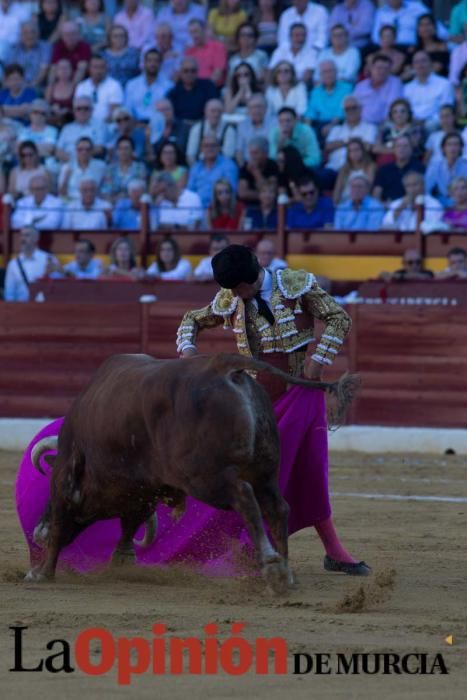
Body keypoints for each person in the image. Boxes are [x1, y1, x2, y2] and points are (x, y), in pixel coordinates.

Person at [177, 243, 369, 575]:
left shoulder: (295, 284)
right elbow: (191, 320)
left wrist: (319, 361)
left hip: (300, 392)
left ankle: (331, 551)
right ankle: (260, 549)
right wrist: (188, 349)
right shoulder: (229, 297)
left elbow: (339, 318)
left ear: (249, 281)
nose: (236, 295)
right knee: (256, 475)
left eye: (239, 289)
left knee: (308, 469)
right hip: (251, 402)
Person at [4, 225, 58, 301]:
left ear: (36, 238)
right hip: (20, 309)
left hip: (44, 308)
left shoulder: (48, 259)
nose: (23, 239)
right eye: (22, 235)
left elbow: (58, 287)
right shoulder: (13, 264)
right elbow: (9, 294)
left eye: (27, 235)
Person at [325, 96, 378, 172]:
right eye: (347, 109)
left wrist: (341, 143)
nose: (351, 111)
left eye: (354, 107)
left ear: (360, 109)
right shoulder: (336, 129)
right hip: (333, 169)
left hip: (357, 170)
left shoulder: (370, 128)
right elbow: (328, 146)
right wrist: (348, 141)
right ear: (344, 111)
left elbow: (368, 147)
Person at [403, 51, 454, 128]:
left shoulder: (444, 84)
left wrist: (425, 122)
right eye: (416, 62)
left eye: (423, 61)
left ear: (431, 63)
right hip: (412, 124)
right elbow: (405, 110)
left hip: (435, 123)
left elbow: (447, 109)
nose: (420, 65)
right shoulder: (407, 88)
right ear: (413, 66)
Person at [187, 135, 238, 209]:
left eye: (213, 145)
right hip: (198, 209)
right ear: (201, 148)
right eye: (206, 146)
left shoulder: (229, 165)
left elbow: (231, 191)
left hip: (220, 209)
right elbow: (190, 192)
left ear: (219, 147)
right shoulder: (195, 167)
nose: (210, 148)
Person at [124, 49, 173, 124]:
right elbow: (128, 110)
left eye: (156, 61)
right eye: (149, 61)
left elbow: (169, 113)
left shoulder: (168, 86)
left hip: (159, 125)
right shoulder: (132, 85)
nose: (152, 64)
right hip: (135, 125)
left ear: (160, 64)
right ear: (144, 63)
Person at [353, 53, 402, 126]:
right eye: (379, 68)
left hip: (385, 124)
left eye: (386, 69)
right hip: (362, 125)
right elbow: (354, 108)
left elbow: (392, 108)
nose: (382, 71)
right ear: (371, 68)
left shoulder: (395, 83)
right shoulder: (360, 86)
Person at [373, 134, 424, 204]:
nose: (401, 149)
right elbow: (376, 194)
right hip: (386, 208)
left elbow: (422, 192)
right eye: (398, 146)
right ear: (394, 149)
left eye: (405, 146)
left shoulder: (419, 168)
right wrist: (383, 205)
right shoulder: (384, 169)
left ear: (411, 149)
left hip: (412, 206)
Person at [167, 56, 218, 123]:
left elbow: (215, 107)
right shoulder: (173, 91)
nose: (189, 74)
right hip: (180, 127)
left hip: (202, 126)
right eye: (186, 71)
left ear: (197, 72)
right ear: (180, 72)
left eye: (193, 71)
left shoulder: (208, 86)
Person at [55, 96, 107, 162]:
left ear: (92, 110)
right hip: (67, 162)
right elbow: (58, 150)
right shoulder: (67, 128)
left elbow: (99, 148)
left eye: (86, 108)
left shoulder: (99, 126)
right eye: (79, 109)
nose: (82, 111)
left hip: (90, 163)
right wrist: (71, 160)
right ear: (73, 111)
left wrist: (80, 158)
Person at [75, 53, 123, 123]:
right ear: (89, 69)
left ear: (107, 68)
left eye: (102, 67)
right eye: (95, 67)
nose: (98, 71)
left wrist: (99, 127)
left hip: (107, 126)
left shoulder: (115, 86)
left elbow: (114, 113)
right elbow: (78, 110)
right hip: (85, 125)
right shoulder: (82, 86)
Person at [186, 98, 236, 165]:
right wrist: (198, 171)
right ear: (205, 112)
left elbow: (228, 156)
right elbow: (190, 155)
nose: (216, 114)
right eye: (213, 111)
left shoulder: (229, 130)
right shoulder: (197, 128)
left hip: (221, 169)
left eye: (219, 111)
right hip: (200, 168)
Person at [5, 19, 51, 90]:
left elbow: (43, 70)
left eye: (33, 32)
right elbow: (9, 71)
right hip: (15, 88)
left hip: (36, 88)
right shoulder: (14, 48)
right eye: (25, 33)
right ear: (21, 35)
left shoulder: (45, 47)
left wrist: (31, 85)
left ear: (38, 33)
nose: (30, 36)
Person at [425, 132, 467, 206]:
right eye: (449, 145)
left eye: (456, 144)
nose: (453, 148)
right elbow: (426, 188)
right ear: (443, 148)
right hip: (440, 203)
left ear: (461, 148)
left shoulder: (465, 164)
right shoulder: (435, 165)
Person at [333, 137, 377, 204]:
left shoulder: (370, 166)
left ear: (363, 150)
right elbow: (337, 190)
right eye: (351, 151)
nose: (354, 153)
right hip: (344, 202)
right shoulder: (344, 169)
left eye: (357, 150)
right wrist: (335, 204)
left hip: (362, 202)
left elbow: (369, 188)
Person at [185, 19, 227, 87]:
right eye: (191, 33)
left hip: (212, 88)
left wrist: (203, 89)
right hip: (193, 89)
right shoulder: (189, 52)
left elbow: (218, 74)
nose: (194, 35)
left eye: (196, 31)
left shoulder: (218, 47)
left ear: (204, 30)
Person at [235, 93, 274, 166]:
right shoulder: (242, 125)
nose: (257, 110)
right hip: (247, 165)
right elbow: (239, 150)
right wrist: (243, 167)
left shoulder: (275, 123)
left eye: (259, 107)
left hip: (269, 165)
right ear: (248, 109)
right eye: (253, 107)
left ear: (266, 108)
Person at [238, 136, 279, 205]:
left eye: (256, 153)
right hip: (250, 206)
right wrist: (264, 196)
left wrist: (256, 172)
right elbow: (242, 193)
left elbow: (272, 191)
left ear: (265, 153)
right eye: (251, 153)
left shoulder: (273, 165)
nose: (252, 157)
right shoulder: (245, 167)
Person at [50, 20, 91, 88]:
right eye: (66, 34)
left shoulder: (84, 47)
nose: (70, 37)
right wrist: (51, 86)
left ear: (78, 34)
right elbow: (53, 69)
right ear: (62, 36)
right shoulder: (58, 47)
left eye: (73, 34)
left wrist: (71, 88)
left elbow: (81, 70)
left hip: (80, 84)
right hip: (60, 83)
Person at [103, 24, 140, 88]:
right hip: (109, 90)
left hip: (132, 88)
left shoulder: (134, 53)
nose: (119, 39)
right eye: (115, 36)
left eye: (121, 36)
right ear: (109, 38)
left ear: (126, 38)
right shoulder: (103, 56)